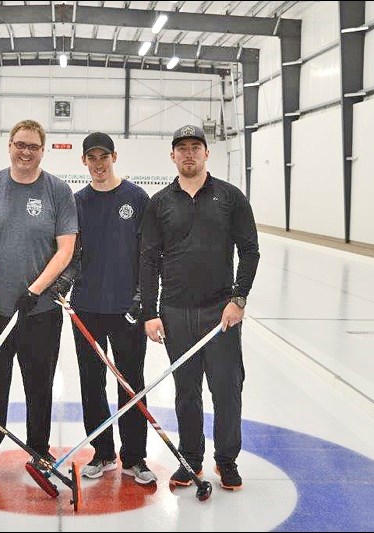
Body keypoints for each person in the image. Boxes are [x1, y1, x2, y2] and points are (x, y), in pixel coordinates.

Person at [139, 125, 259, 491]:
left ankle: (226, 460)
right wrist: (150, 312)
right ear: (172, 156)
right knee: (186, 391)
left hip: (220, 312)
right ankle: (191, 460)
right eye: (181, 148)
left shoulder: (230, 197)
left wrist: (238, 299)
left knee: (226, 389)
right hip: (176, 312)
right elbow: (148, 260)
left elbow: (250, 250)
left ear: (207, 153)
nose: (188, 154)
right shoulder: (159, 204)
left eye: (195, 147)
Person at [0, 119, 78, 479]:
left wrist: (35, 290)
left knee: (38, 385)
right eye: (20, 144)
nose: (25, 152)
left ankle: (39, 452)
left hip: (40, 312)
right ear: (9, 146)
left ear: (42, 151)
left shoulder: (57, 191)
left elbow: (66, 249)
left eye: (33, 146)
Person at [63, 132, 155, 485]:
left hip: (126, 308)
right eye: (92, 158)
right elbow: (71, 252)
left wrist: (143, 298)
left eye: (104, 157)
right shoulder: (77, 202)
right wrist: (64, 283)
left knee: (131, 382)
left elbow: (149, 256)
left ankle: (135, 457)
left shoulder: (136, 198)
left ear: (114, 157)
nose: (99, 164)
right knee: (91, 381)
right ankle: (103, 453)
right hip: (86, 306)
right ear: (84, 161)